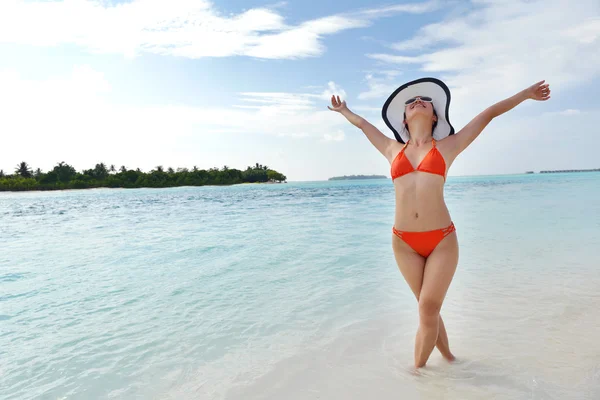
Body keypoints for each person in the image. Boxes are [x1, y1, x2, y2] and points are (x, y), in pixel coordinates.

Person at [327, 77, 551, 368]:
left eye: (424, 100)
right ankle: (449, 359)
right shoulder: (391, 149)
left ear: (435, 115)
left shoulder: (449, 146)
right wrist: (345, 111)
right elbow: (363, 125)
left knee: (428, 308)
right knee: (426, 310)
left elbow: (487, 114)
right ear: (404, 119)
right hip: (403, 242)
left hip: (442, 240)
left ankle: (416, 374)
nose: (417, 101)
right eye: (410, 103)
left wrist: (525, 94)